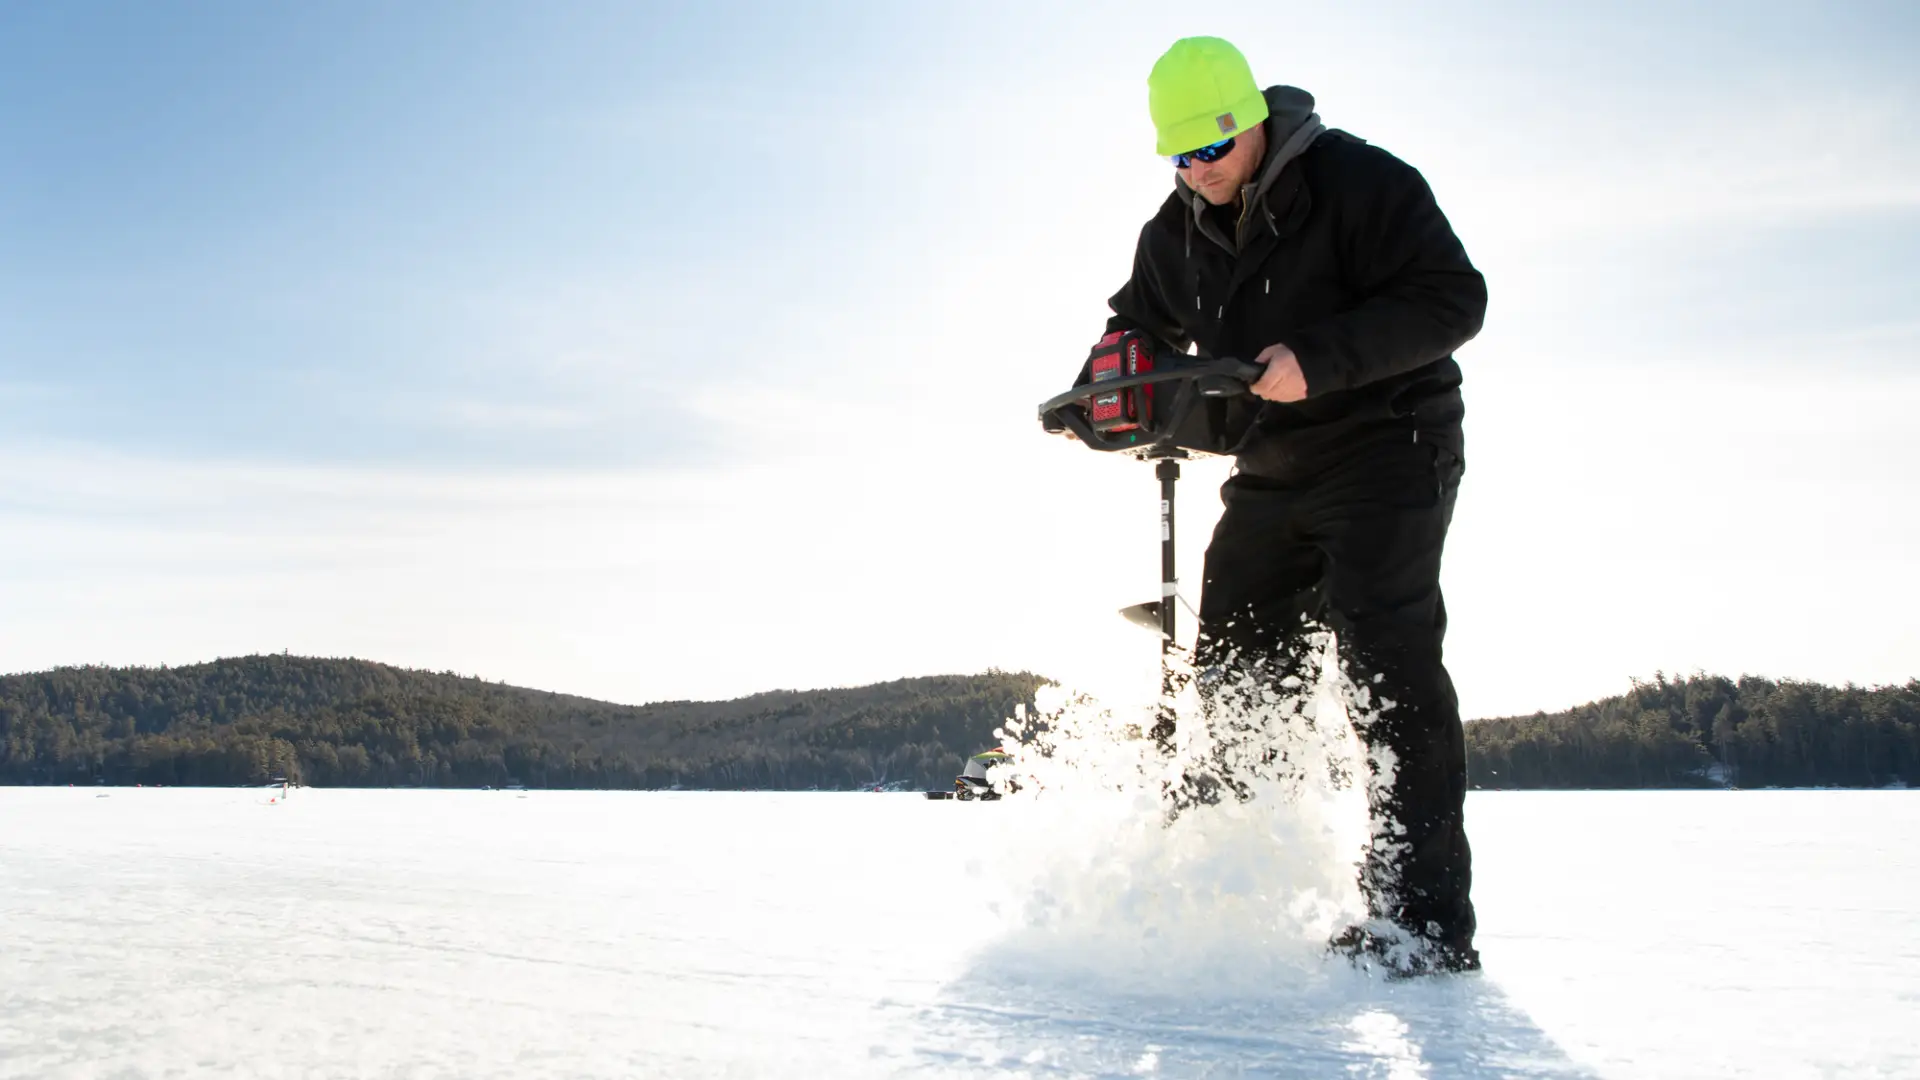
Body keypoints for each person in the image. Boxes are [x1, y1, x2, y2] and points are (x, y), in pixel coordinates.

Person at [1085, 37, 1487, 975]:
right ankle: (1238, 891)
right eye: (1179, 157)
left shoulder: (1360, 184)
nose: (1197, 172)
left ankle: (1418, 926)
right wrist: (1101, 393)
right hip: (1271, 465)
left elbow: (1453, 298)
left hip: (1390, 442)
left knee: (1387, 668)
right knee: (1235, 672)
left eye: (1211, 151)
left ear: (1253, 123)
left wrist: (1322, 359)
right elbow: (1134, 329)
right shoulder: (1175, 230)